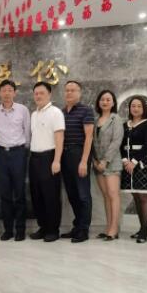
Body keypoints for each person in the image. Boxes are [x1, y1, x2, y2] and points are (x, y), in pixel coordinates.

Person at [0, 79, 30, 242]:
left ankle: (20, 230)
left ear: (15, 93)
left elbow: (27, 132)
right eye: (4, 90)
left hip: (18, 153)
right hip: (0, 154)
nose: (7, 93)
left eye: (10, 90)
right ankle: (8, 230)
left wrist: (23, 151)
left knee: (20, 193)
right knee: (5, 194)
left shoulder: (23, 110)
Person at [29, 81, 65, 242]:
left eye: (41, 93)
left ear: (49, 94)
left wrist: (57, 160)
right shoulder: (34, 114)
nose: (38, 96)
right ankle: (43, 227)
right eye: (36, 93)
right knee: (37, 195)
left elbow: (59, 138)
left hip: (49, 158)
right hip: (34, 158)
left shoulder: (55, 113)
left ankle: (53, 230)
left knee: (51, 195)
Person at [60, 80, 94, 243]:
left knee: (83, 194)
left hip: (79, 154)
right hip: (64, 155)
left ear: (79, 93)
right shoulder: (61, 112)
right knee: (72, 194)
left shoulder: (86, 110)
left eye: (73, 90)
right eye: (67, 90)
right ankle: (77, 226)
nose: (69, 93)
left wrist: (84, 161)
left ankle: (84, 229)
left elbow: (89, 137)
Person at [120, 96, 147, 243]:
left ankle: (144, 230)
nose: (135, 108)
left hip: (142, 163)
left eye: (139, 106)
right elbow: (121, 144)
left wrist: (134, 161)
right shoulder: (125, 125)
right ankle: (143, 228)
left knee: (143, 197)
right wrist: (125, 161)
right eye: (133, 106)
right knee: (135, 196)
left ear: (144, 108)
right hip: (127, 164)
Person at [93, 90, 124, 241]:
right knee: (106, 196)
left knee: (113, 195)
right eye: (102, 99)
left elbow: (116, 141)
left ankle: (114, 229)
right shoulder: (95, 120)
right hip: (98, 163)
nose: (105, 102)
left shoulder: (116, 118)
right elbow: (92, 142)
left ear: (113, 103)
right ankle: (108, 227)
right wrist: (95, 160)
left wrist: (105, 160)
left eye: (108, 100)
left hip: (111, 162)